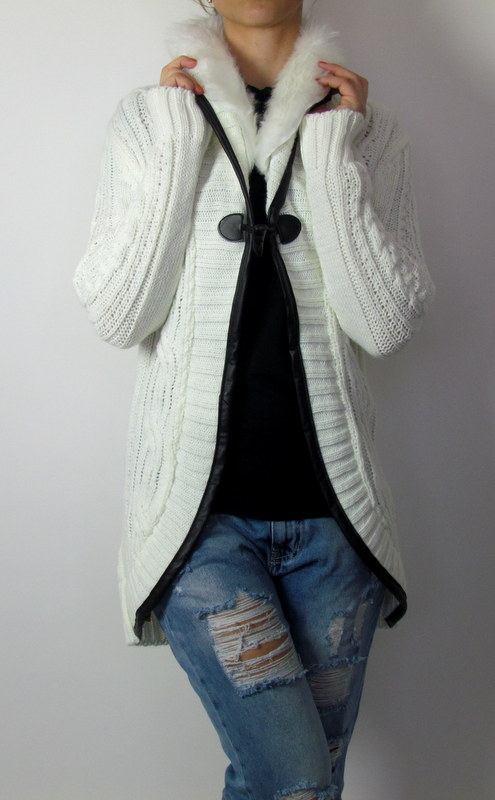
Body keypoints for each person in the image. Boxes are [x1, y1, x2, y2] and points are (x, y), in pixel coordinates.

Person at [73, 1, 435, 797]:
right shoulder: (150, 120)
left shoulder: (367, 130)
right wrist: (178, 143)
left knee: (306, 783)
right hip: (201, 528)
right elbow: (119, 315)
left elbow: (384, 326)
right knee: (294, 778)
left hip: (336, 529)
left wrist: (334, 151)